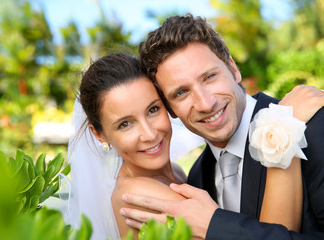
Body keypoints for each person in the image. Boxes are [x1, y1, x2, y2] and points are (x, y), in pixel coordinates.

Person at [62, 52, 323, 240]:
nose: (150, 133)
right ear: (99, 134)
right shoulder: (138, 194)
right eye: (125, 124)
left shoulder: (186, 172)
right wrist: (284, 127)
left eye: (153, 110)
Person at [119, 14, 324, 239]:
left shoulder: (312, 127)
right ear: (170, 109)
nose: (206, 104)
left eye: (209, 77)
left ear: (233, 68)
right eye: (181, 92)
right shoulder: (197, 176)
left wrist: (216, 226)